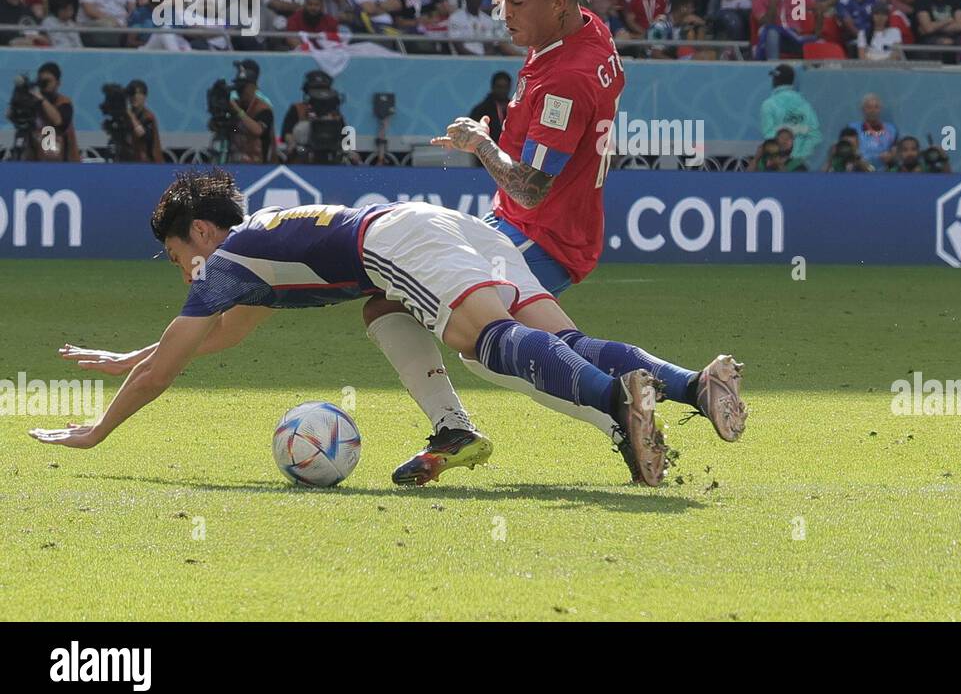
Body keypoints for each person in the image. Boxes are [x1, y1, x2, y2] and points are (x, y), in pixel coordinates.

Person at [31, 171, 747, 490]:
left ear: (199, 231)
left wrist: (98, 429)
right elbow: (220, 337)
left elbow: (169, 369)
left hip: (399, 244)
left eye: (176, 253)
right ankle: (691, 382)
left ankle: (619, 405)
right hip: (443, 228)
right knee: (549, 341)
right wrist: (131, 352)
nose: (180, 268)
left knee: (487, 344)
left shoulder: (223, 261)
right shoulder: (251, 254)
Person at [421, 0, 745, 456]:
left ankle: (619, 419)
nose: (504, 12)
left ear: (558, 5)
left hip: (537, 229)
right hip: (547, 226)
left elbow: (530, 189)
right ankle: (690, 387)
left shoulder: (564, 82)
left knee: (478, 341)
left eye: (515, 3)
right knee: (550, 344)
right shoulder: (583, 28)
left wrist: (480, 143)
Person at [760, 64, 822, 168]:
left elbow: (767, 136)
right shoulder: (805, 104)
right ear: (792, 81)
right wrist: (801, 155)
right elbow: (815, 135)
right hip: (800, 165)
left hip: (775, 166)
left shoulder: (768, 104)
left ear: (775, 81)